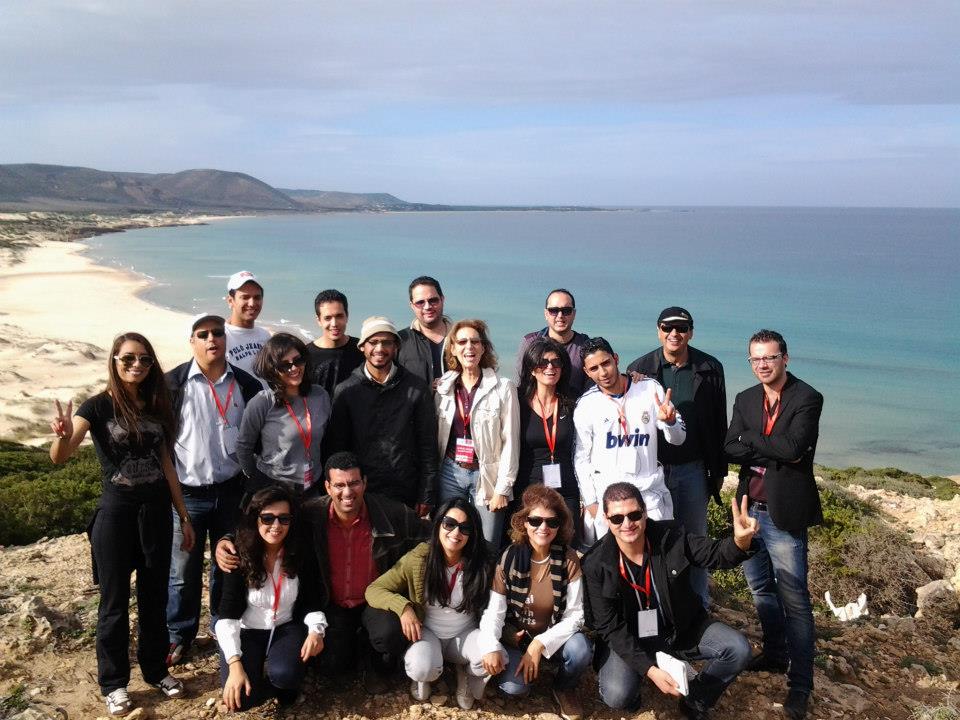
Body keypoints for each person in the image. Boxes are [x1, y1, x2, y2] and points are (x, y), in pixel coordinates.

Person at [49, 332, 195, 717]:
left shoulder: (156, 404)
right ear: (114, 360)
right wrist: (61, 437)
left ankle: (155, 670)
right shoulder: (97, 406)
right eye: (128, 358)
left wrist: (183, 515)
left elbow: (166, 464)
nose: (137, 365)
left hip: (157, 514)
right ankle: (113, 683)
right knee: (113, 603)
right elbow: (60, 457)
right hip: (115, 516)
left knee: (154, 597)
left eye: (144, 359)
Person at [216, 452, 431, 693]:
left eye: (354, 483)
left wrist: (405, 602)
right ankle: (352, 650)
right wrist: (226, 540)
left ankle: (376, 665)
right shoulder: (310, 514)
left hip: (375, 601)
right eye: (339, 485)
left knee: (390, 634)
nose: (347, 492)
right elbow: (269, 525)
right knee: (331, 664)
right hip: (332, 603)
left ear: (364, 483)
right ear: (327, 487)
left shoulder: (389, 513)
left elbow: (432, 536)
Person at [583, 483, 757, 719]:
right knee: (617, 695)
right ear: (606, 519)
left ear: (645, 512)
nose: (627, 524)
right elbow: (609, 627)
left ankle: (696, 699)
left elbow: (714, 554)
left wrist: (739, 543)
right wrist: (649, 670)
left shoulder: (671, 537)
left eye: (634, 515)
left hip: (679, 629)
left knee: (737, 649)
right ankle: (638, 680)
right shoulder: (596, 563)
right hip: (630, 637)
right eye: (617, 518)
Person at [724, 329, 824, 720]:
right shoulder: (745, 398)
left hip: (785, 513)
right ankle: (775, 654)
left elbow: (794, 448)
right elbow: (729, 447)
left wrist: (751, 439)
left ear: (785, 358)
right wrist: (769, 445)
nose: (763, 365)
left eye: (770, 357)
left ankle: (800, 686)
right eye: (756, 359)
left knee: (795, 599)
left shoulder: (807, 397)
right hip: (748, 510)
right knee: (761, 588)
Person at [165, 313, 264, 666]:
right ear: (192, 341)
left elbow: (258, 437)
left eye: (218, 333)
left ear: (226, 339)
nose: (212, 340)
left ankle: (222, 625)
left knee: (228, 563)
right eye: (203, 334)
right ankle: (179, 634)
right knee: (182, 571)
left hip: (232, 491)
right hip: (188, 495)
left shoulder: (246, 384)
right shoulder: (173, 384)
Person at [626, 307, 727, 609]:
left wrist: (718, 472)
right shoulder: (640, 369)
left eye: (681, 328)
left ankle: (698, 606)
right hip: (653, 471)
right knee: (654, 540)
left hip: (693, 469)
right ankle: (663, 605)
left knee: (696, 539)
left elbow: (718, 422)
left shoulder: (709, 367)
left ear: (690, 332)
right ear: (658, 331)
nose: (674, 333)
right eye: (667, 328)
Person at [365, 498, 493, 709]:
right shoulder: (419, 558)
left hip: (466, 634)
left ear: (473, 533)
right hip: (428, 633)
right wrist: (404, 608)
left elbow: (496, 607)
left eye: (465, 528)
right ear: (438, 524)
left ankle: (465, 671)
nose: (456, 532)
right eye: (449, 524)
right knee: (422, 668)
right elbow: (374, 589)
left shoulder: (482, 562)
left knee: (492, 655)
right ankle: (424, 675)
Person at [477, 486, 591, 720]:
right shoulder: (509, 557)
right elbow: (494, 612)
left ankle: (563, 687)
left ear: (560, 525)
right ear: (524, 522)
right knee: (513, 688)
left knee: (580, 650)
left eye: (552, 522)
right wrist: (490, 645)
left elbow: (576, 615)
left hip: (553, 638)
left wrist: (539, 644)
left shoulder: (568, 559)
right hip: (517, 638)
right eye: (535, 520)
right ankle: (526, 669)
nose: (543, 527)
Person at [216, 486, 326, 711]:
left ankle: (283, 679)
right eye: (267, 518)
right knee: (241, 700)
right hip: (248, 629)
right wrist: (235, 665)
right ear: (255, 519)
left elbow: (311, 600)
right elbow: (228, 615)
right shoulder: (238, 554)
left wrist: (316, 631)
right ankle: (261, 677)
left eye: (284, 519)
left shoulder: (300, 552)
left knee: (286, 677)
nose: (276, 526)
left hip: (286, 626)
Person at [573, 337, 685, 541]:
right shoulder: (586, 405)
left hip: (648, 496)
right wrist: (590, 502)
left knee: (658, 554)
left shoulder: (649, 388)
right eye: (594, 368)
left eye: (606, 363)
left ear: (616, 359)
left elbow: (678, 439)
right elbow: (581, 458)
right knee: (613, 560)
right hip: (609, 501)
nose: (603, 372)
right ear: (586, 372)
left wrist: (670, 422)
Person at [326, 316, 438, 514]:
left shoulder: (416, 388)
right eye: (373, 342)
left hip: (405, 490)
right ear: (362, 346)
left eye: (387, 342)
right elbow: (337, 447)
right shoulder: (346, 391)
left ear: (396, 347)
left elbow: (427, 444)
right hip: (361, 491)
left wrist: (427, 492)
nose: (380, 348)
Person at [435, 319, 519, 551]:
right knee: (450, 542)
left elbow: (511, 442)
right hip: (450, 472)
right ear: (453, 349)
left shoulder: (503, 387)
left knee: (488, 544)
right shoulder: (443, 388)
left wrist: (503, 488)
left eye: (475, 341)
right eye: (462, 342)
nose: (469, 347)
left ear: (483, 348)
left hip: (487, 475)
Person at [236, 333, 331, 497]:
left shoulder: (320, 395)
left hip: (312, 486)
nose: (293, 368)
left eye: (298, 361)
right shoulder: (262, 402)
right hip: (274, 488)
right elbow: (243, 446)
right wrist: (255, 478)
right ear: (272, 370)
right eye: (284, 365)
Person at [515, 338, 582, 541]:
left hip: (566, 490)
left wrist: (631, 377)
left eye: (556, 362)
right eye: (543, 362)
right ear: (532, 369)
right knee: (527, 548)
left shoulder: (573, 401)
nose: (550, 367)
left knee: (567, 547)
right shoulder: (517, 401)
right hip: (527, 490)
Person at [516, 289, 592, 398]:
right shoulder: (530, 342)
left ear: (574, 314)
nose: (560, 315)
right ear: (546, 314)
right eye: (554, 310)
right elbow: (521, 384)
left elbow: (593, 387)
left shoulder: (585, 346)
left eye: (566, 310)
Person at [305, 289, 365, 396]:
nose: (334, 324)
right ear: (319, 320)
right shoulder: (306, 355)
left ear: (347, 316)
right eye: (327, 318)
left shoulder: (362, 349)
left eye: (339, 316)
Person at [398, 275, 451, 385]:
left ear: (442, 299)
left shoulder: (463, 339)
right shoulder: (399, 341)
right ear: (412, 305)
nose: (427, 307)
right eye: (420, 302)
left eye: (433, 300)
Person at [223, 271, 271, 383]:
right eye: (245, 297)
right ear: (230, 301)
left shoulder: (265, 336)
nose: (252, 303)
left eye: (257, 297)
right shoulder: (220, 336)